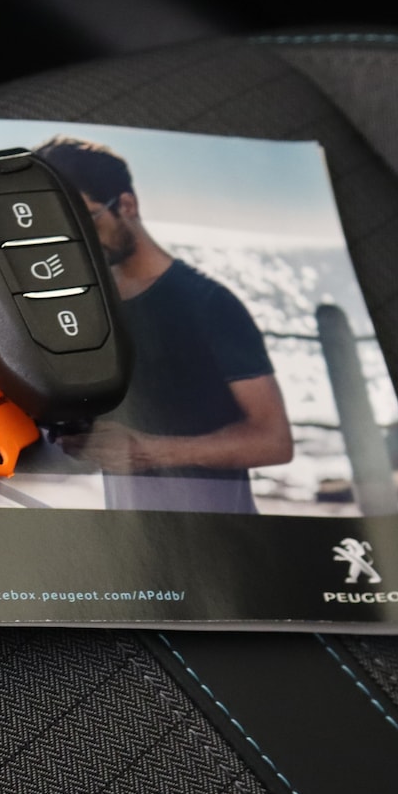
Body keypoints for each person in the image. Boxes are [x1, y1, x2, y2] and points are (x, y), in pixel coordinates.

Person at [34, 135, 294, 513]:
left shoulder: (210, 303)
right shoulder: (89, 303)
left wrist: (148, 452)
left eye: (86, 219)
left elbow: (274, 441)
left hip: (221, 535)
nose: (77, 239)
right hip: (132, 534)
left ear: (126, 205)